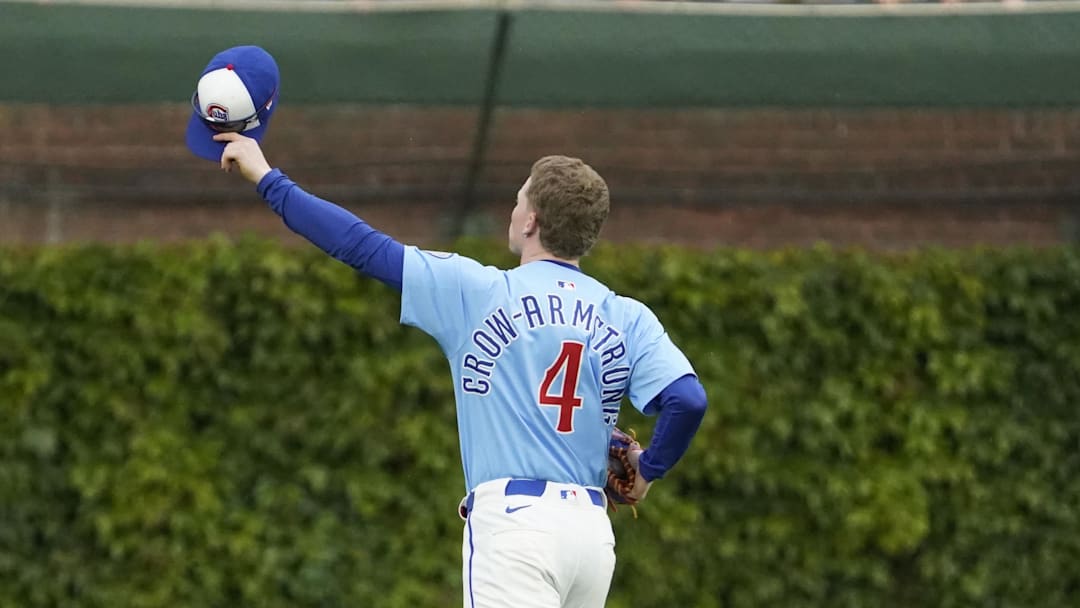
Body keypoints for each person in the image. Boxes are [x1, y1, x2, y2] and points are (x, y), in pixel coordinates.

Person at [210, 131, 708, 608]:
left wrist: (267, 177)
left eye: (518, 202)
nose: (512, 212)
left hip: (514, 527)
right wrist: (649, 469)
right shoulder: (626, 315)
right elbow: (687, 400)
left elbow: (359, 245)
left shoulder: (477, 291)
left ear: (531, 220)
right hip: (590, 536)